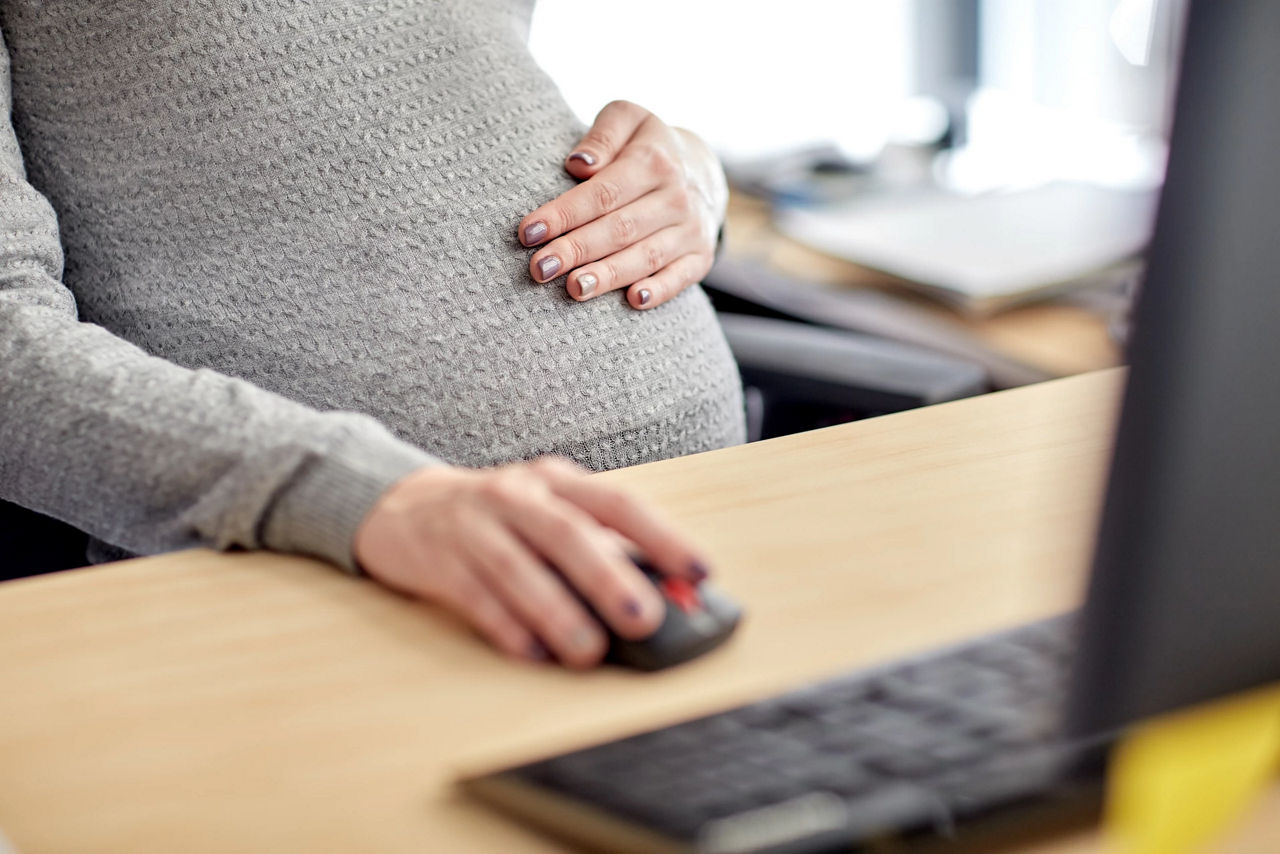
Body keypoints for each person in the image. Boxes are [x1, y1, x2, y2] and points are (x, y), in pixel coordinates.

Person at [0, 2, 745, 668]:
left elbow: (429, 113)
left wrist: (693, 178)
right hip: (372, 596)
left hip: (736, 520)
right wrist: (361, 497)